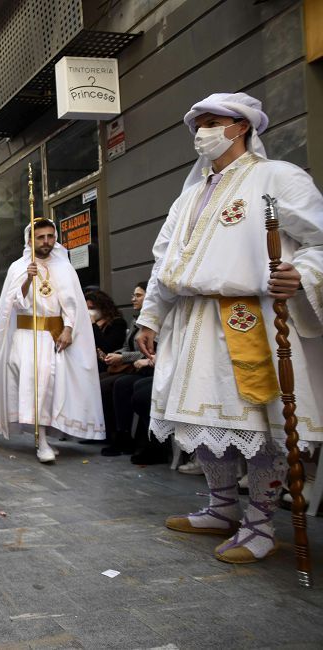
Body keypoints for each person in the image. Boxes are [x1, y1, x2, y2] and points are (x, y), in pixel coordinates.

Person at [135, 92, 323, 563]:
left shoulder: (276, 176)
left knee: (256, 423)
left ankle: (260, 523)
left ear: (240, 127)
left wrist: (303, 273)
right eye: (196, 123)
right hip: (191, 319)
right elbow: (164, 261)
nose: (201, 132)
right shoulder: (189, 196)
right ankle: (221, 509)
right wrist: (150, 316)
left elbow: (320, 237)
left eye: (212, 121)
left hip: (249, 319)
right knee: (204, 421)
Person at [0, 219, 105, 462]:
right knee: (37, 385)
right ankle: (41, 440)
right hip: (27, 337)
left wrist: (68, 329)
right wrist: (27, 278)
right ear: (30, 240)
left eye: (50, 236)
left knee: (51, 388)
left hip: (54, 337)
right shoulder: (18, 267)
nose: (46, 241)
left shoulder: (65, 267)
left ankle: (44, 436)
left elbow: (72, 303)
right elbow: (14, 303)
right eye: (40, 237)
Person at [99, 282, 154, 457]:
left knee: (120, 385)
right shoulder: (135, 318)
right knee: (101, 383)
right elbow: (126, 346)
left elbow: (149, 352)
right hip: (135, 368)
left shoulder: (153, 323)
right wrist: (114, 354)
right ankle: (114, 433)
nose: (133, 299)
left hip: (147, 369)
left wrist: (122, 358)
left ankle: (129, 437)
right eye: (133, 295)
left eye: (138, 295)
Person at [86, 289, 127, 372]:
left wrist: (93, 325)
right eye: (86, 308)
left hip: (108, 365)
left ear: (103, 308)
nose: (88, 311)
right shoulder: (87, 325)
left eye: (92, 308)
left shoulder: (117, 323)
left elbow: (106, 347)